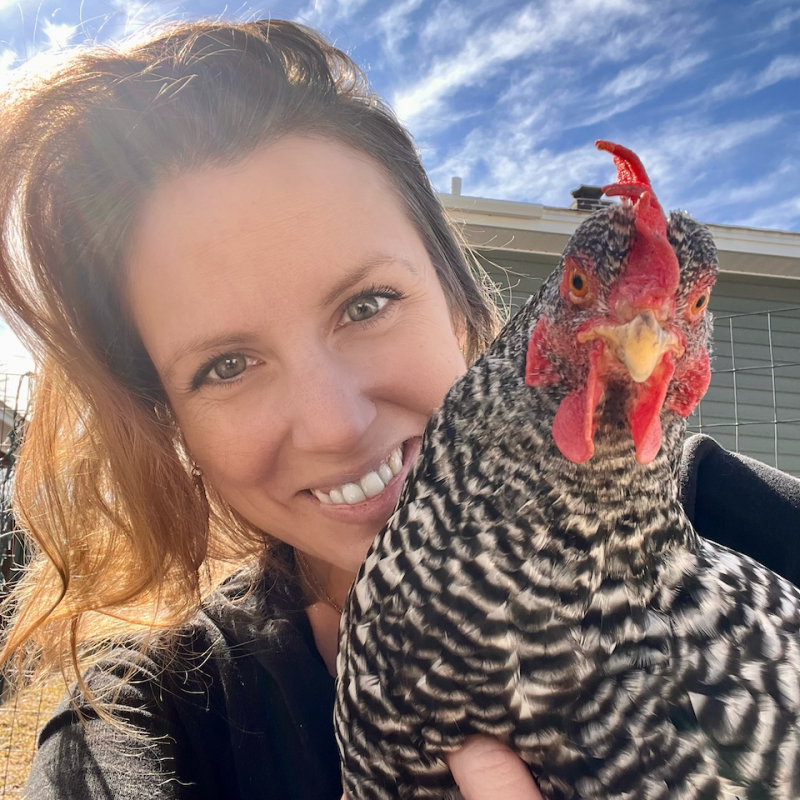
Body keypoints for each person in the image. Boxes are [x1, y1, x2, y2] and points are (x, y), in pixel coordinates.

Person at [0, 18, 798, 800]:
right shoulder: (143, 733)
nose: (335, 424)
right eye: (226, 365)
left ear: (457, 299)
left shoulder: (754, 527)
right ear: (171, 421)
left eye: (368, 303)